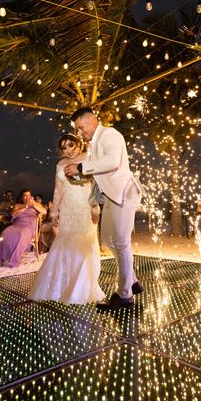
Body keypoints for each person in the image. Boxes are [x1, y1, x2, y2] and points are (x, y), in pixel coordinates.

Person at [65, 108, 145, 310]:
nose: (80, 133)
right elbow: (99, 172)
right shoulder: (93, 144)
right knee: (109, 240)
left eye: (81, 128)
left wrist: (82, 168)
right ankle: (132, 280)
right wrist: (78, 175)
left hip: (124, 193)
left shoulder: (110, 134)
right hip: (110, 196)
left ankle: (124, 295)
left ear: (92, 120)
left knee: (121, 242)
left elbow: (111, 162)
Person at [29, 134, 105, 304]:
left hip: (86, 207)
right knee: (65, 243)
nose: (68, 150)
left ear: (79, 144)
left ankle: (81, 288)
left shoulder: (88, 157)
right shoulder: (60, 164)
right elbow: (58, 189)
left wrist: (95, 206)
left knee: (84, 244)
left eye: (71, 145)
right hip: (68, 208)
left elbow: (96, 183)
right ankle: (62, 286)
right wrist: (55, 211)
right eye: (64, 147)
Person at [0, 188, 46, 267]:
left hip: (29, 227)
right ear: (22, 197)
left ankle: (14, 259)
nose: (27, 197)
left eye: (29, 195)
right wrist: (25, 207)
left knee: (22, 233)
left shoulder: (35, 205)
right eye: (25, 195)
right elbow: (13, 214)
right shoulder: (17, 205)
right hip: (17, 225)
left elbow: (44, 211)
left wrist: (34, 205)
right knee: (5, 233)